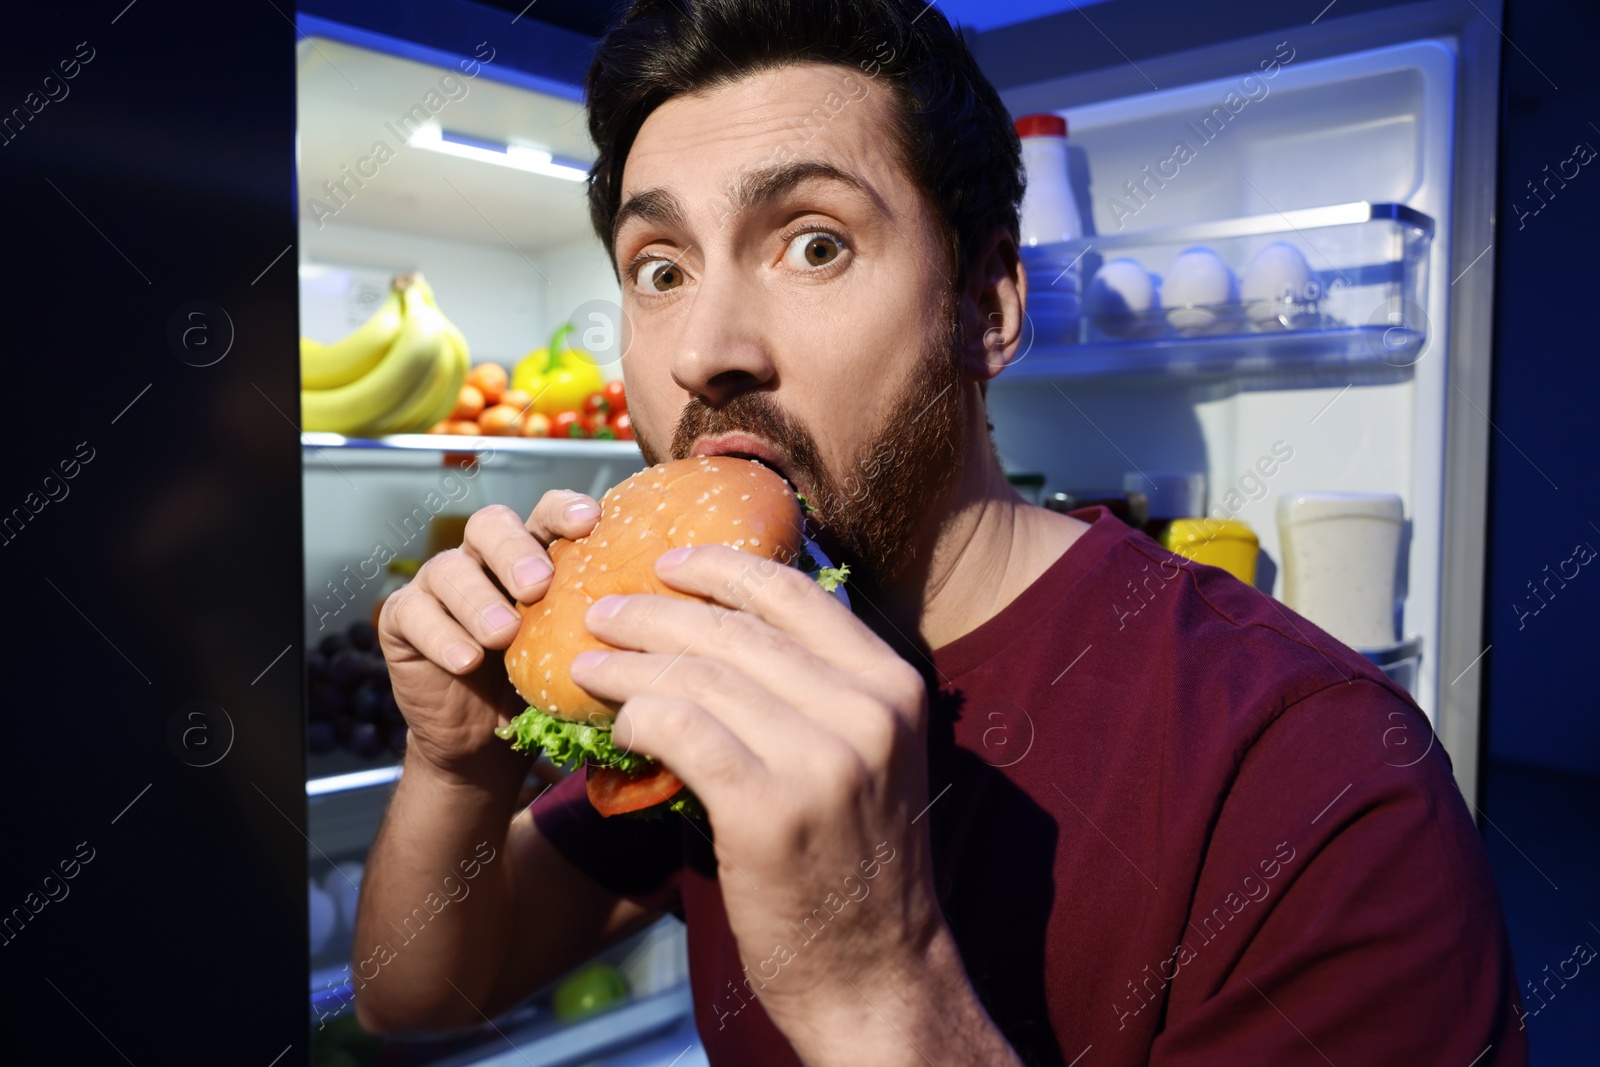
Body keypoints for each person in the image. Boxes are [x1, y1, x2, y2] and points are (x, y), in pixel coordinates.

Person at [354, 1, 1527, 1063]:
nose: (702, 347)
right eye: (658, 268)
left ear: (987, 307)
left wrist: (879, 988)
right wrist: (456, 763)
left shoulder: (1319, 778)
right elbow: (415, 996)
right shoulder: (700, 650)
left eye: (814, 243)